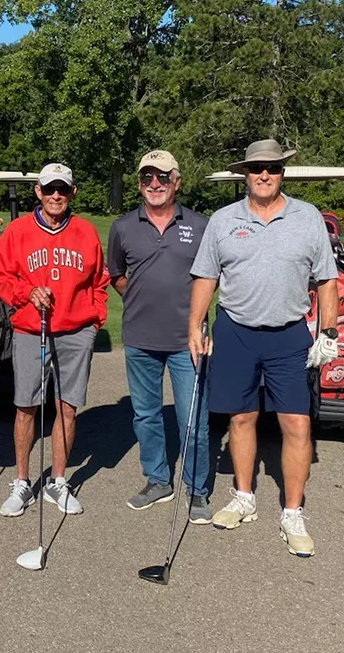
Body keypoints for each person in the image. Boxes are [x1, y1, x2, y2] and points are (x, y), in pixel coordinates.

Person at [189, 139, 339, 557]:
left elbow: (326, 279)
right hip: (236, 330)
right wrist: (195, 325)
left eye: (272, 168)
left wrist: (328, 332)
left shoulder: (306, 217)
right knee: (240, 419)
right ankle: (243, 497)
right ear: (245, 174)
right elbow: (205, 277)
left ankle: (292, 513)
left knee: (297, 424)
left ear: (282, 172)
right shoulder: (223, 220)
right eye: (256, 168)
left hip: (289, 334)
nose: (264, 174)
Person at [0, 163, 109, 516]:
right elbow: (0, 277)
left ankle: (57, 482)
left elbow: (99, 282)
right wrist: (27, 292)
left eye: (63, 188)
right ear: (38, 192)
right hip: (32, 329)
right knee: (26, 405)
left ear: (72, 192)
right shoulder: (16, 232)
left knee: (67, 406)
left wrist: (94, 322)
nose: (56, 195)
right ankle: (23, 482)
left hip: (76, 332)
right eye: (49, 188)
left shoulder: (86, 232)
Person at [107, 151, 211, 522]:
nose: (155, 184)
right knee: (146, 415)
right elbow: (117, 274)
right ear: (139, 183)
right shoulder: (123, 227)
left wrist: (201, 324)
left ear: (177, 182)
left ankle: (197, 489)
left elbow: (211, 278)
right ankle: (157, 479)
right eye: (147, 178)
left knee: (192, 417)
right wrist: (139, 296)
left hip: (188, 341)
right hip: (139, 337)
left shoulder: (200, 225)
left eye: (162, 177)